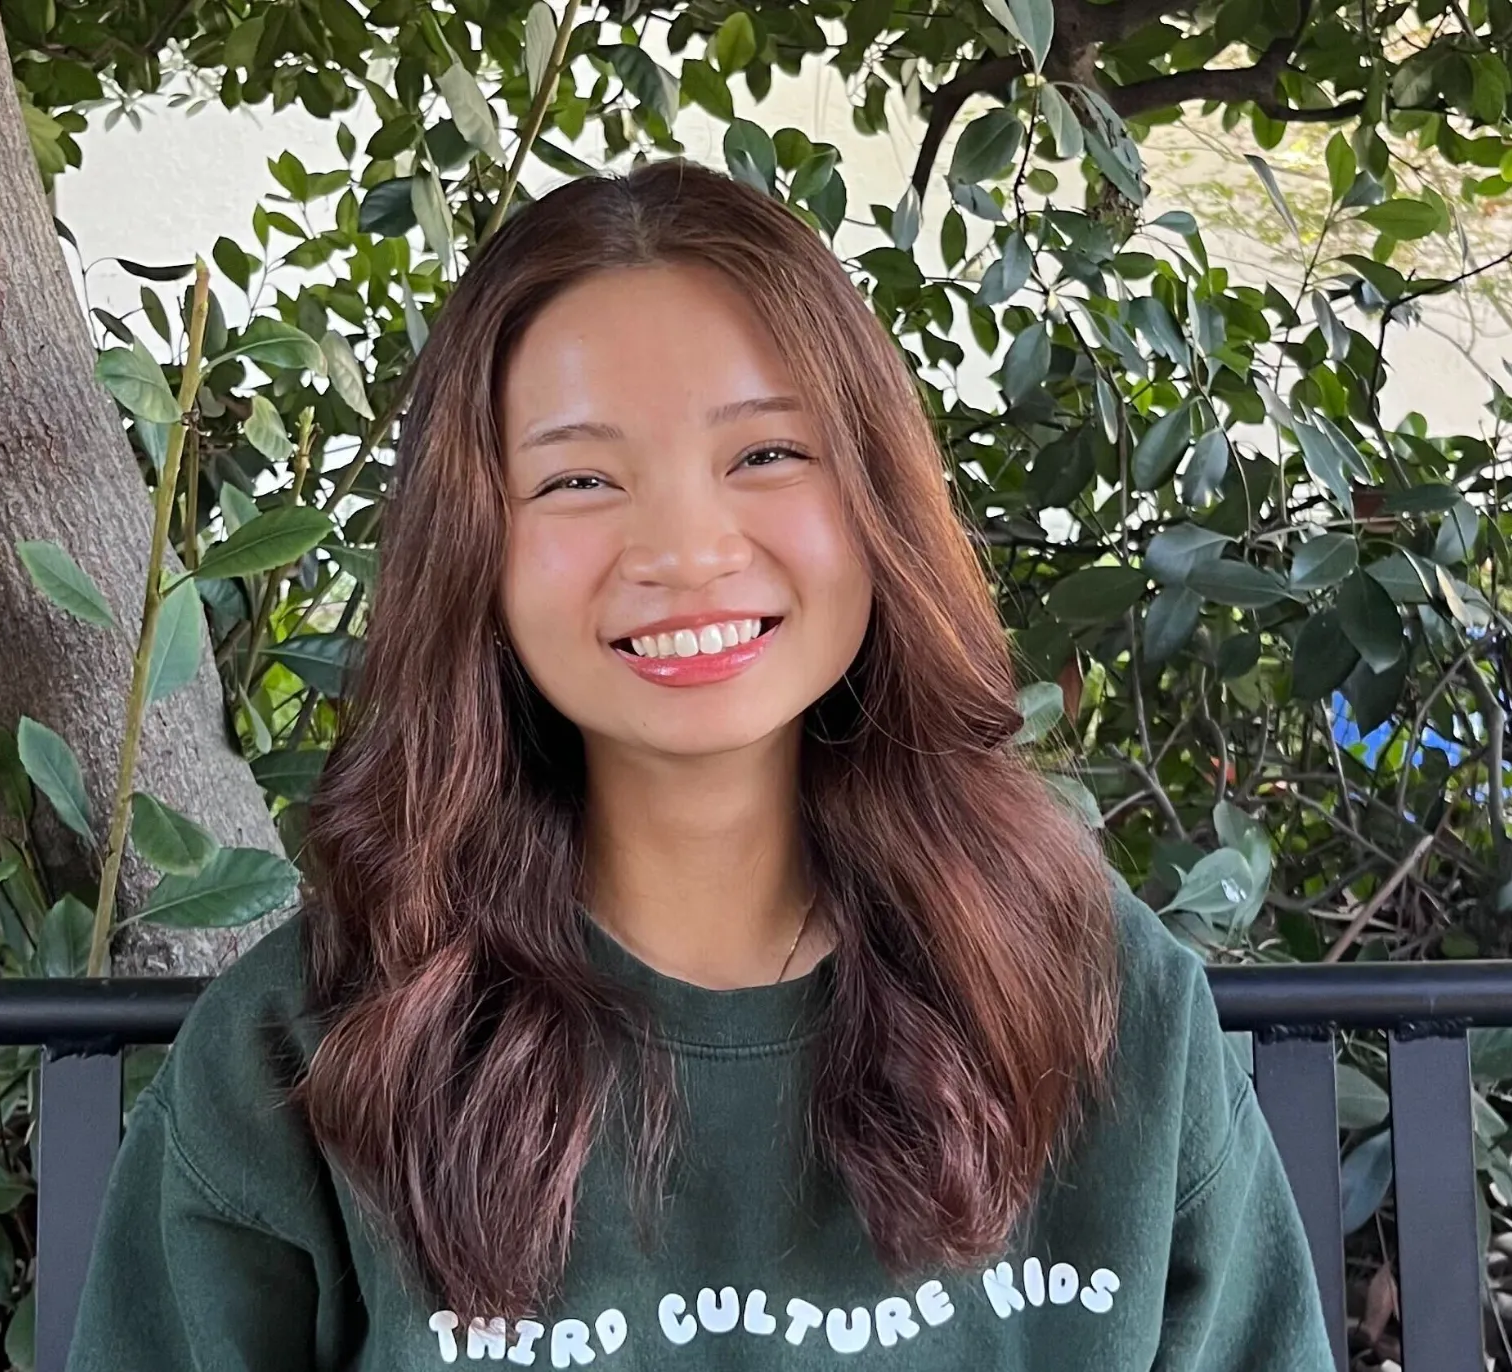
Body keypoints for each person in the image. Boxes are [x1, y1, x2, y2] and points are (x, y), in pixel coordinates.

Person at [67, 158, 1335, 1371]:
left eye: (764, 454)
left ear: (875, 500)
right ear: (473, 550)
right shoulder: (312, 1052)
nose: (682, 546)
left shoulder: (1100, 1008)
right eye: (575, 476)